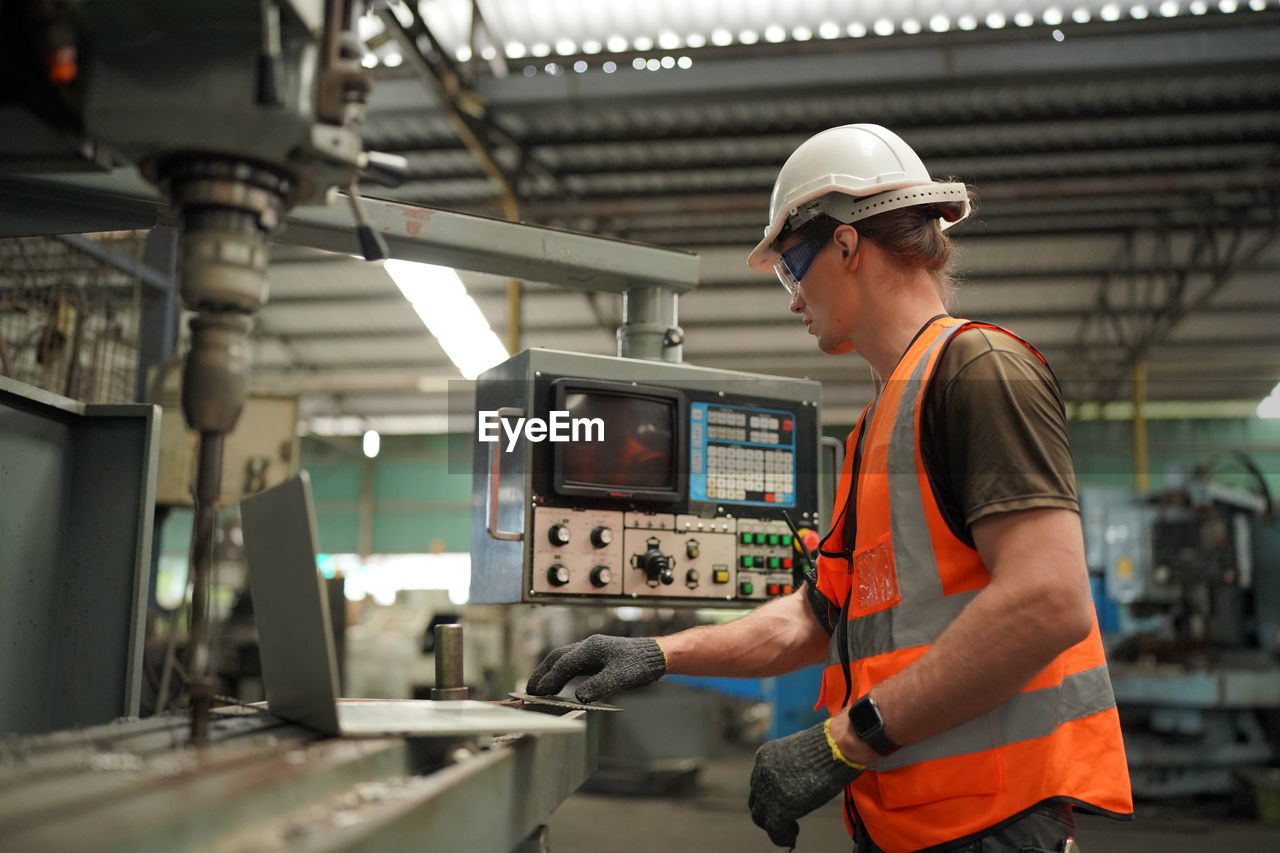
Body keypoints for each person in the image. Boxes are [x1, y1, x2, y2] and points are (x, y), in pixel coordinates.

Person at [526, 124, 1133, 852]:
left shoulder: (978, 370)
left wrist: (846, 739)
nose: (790, 300)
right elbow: (816, 619)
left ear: (846, 244)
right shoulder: (880, 425)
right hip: (911, 821)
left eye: (790, 268)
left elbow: (1048, 600)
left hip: (994, 822)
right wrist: (660, 653)